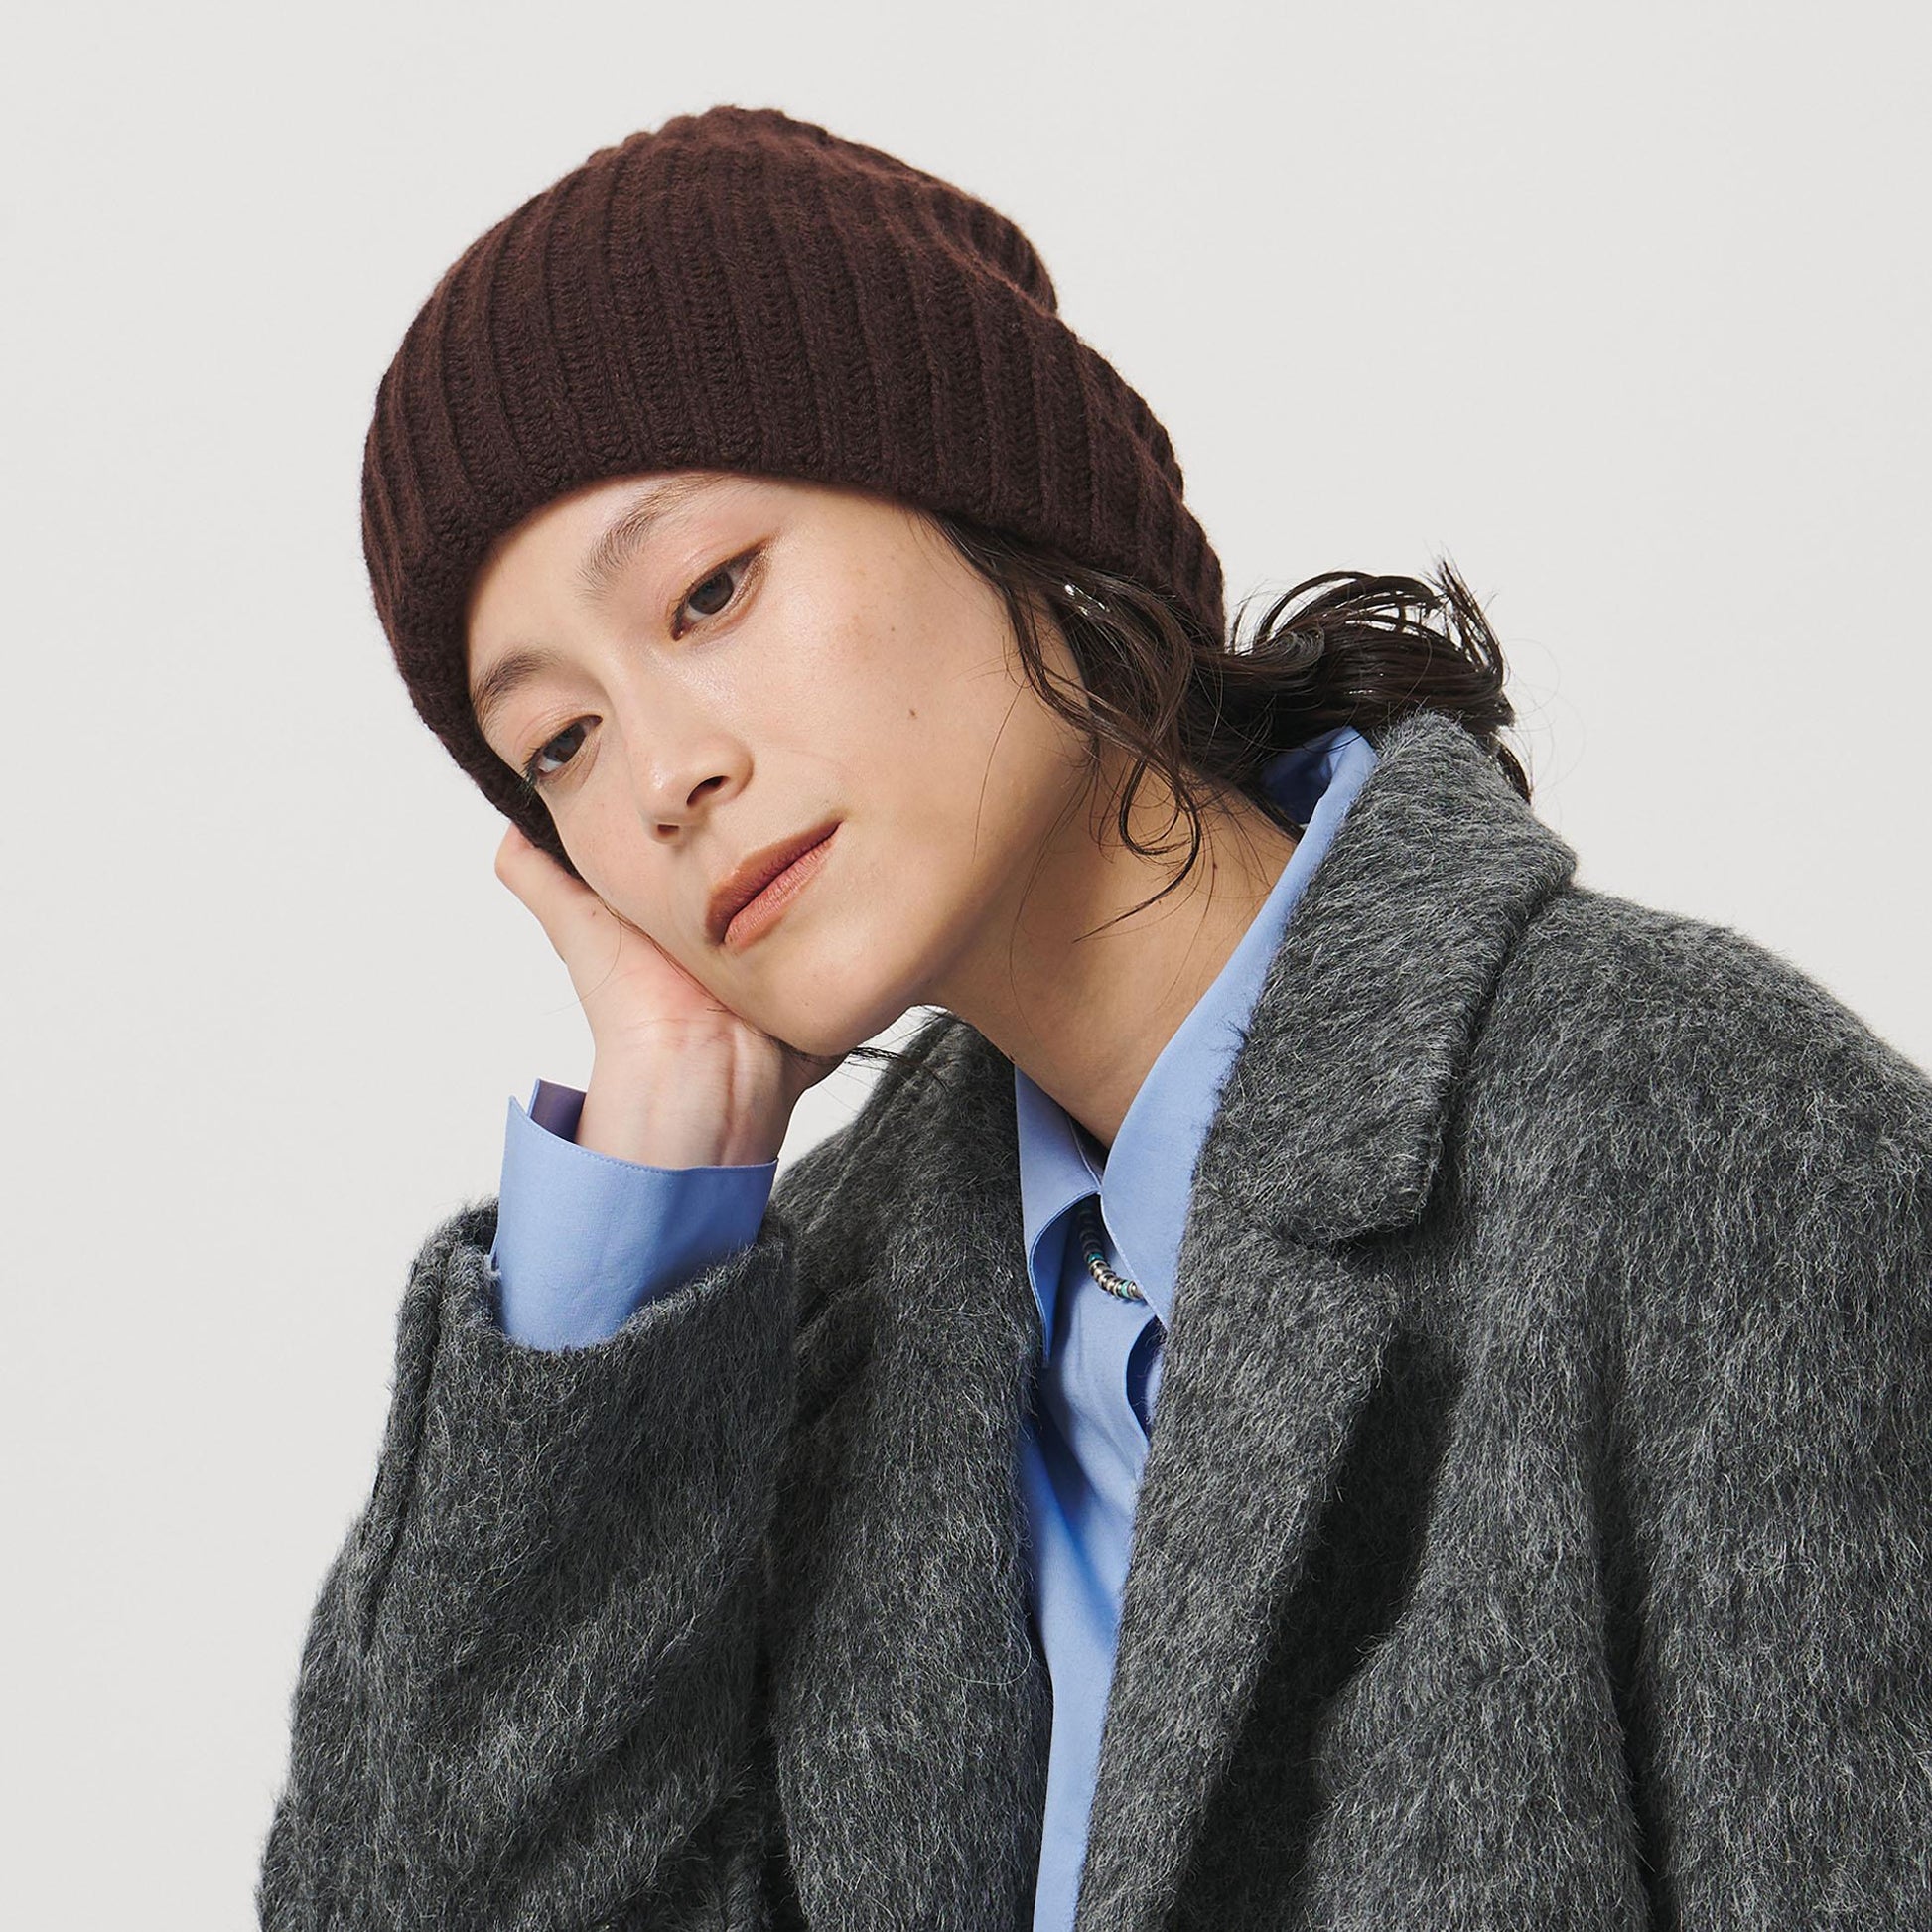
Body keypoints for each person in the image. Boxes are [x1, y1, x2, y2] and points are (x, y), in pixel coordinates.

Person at [257, 105, 1932, 1931]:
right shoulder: (799, 1336)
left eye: (710, 592)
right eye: (559, 742)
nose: (661, 776)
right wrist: (640, 1219)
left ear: (997, 485)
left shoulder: (1722, 1145)